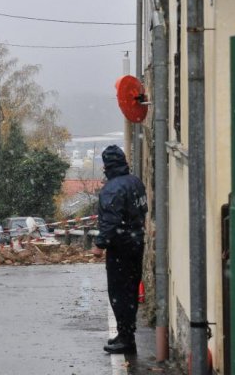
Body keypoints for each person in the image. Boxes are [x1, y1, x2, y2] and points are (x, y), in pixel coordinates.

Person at [92, 145, 148, 354]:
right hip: (136, 243)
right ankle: (126, 334)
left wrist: (100, 244)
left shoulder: (112, 189)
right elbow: (143, 209)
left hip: (120, 248)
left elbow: (110, 220)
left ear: (107, 165)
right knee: (131, 290)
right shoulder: (136, 182)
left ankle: (126, 337)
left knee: (118, 292)